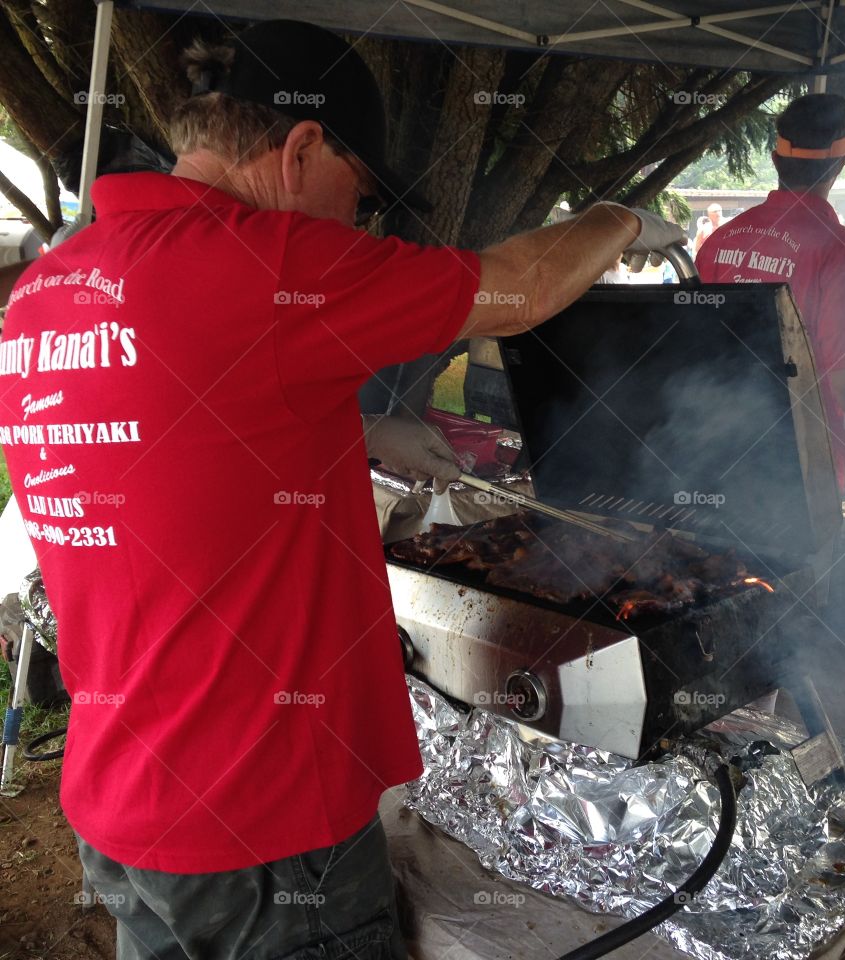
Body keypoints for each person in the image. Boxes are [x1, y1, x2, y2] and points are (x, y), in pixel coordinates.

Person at [0, 20, 682, 960]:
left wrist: (364, 430)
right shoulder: (264, 263)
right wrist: (625, 220)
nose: (358, 226)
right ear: (303, 149)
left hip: (123, 799)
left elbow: (162, 431)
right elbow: (520, 289)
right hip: (265, 825)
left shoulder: (50, 290)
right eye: (359, 197)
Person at [696, 93, 845, 491]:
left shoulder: (719, 242)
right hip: (797, 463)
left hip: (710, 448)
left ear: (775, 161)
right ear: (841, 163)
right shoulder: (841, 249)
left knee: (709, 555)